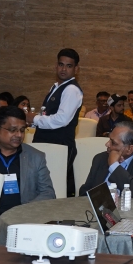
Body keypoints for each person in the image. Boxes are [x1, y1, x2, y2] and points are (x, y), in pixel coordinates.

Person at [29, 49, 84, 197]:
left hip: (59, 145)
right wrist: (33, 122)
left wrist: (34, 119)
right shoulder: (56, 87)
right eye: (61, 64)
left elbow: (62, 119)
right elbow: (49, 115)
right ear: (56, 66)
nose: (64, 69)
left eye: (69, 66)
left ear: (76, 69)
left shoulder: (71, 89)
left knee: (54, 188)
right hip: (48, 143)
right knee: (43, 185)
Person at [78, 120, 133, 198]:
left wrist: (114, 166)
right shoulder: (100, 158)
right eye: (109, 139)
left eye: (113, 143)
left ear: (129, 149)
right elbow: (85, 191)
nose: (107, 144)